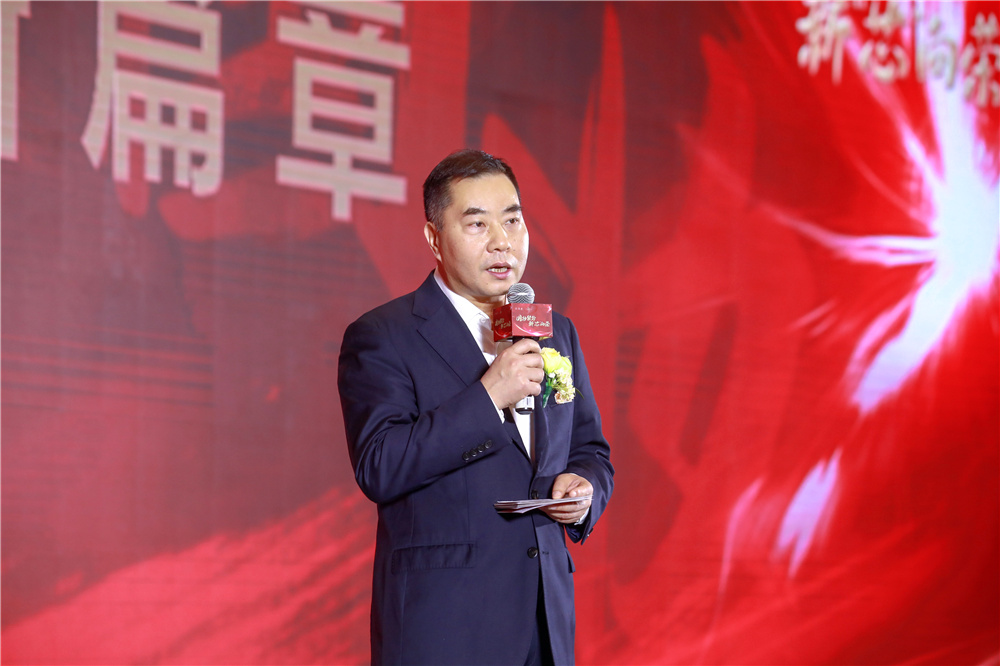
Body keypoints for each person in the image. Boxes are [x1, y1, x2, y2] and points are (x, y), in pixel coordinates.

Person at [338, 149, 614, 665]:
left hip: (544, 621)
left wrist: (584, 491)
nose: (501, 241)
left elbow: (590, 450)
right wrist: (489, 397)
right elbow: (380, 464)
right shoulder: (384, 335)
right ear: (433, 238)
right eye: (477, 224)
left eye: (512, 220)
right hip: (446, 626)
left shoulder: (556, 332)